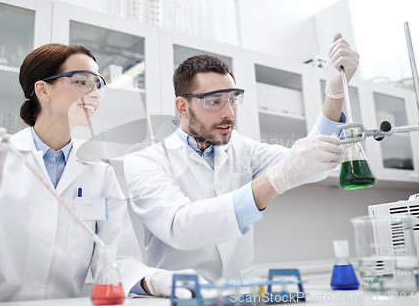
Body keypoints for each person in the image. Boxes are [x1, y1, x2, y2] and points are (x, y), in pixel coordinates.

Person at [0, 44, 206, 305]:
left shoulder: (99, 174)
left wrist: (155, 280)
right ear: (43, 89)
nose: (95, 93)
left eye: (98, 84)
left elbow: (116, 259)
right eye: (81, 82)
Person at [124, 34, 358, 282]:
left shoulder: (243, 149)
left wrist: (334, 95)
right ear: (183, 107)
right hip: (181, 298)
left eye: (233, 100)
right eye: (214, 102)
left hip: (240, 295)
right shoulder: (145, 159)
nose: (228, 113)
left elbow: (312, 163)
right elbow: (180, 227)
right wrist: (274, 181)